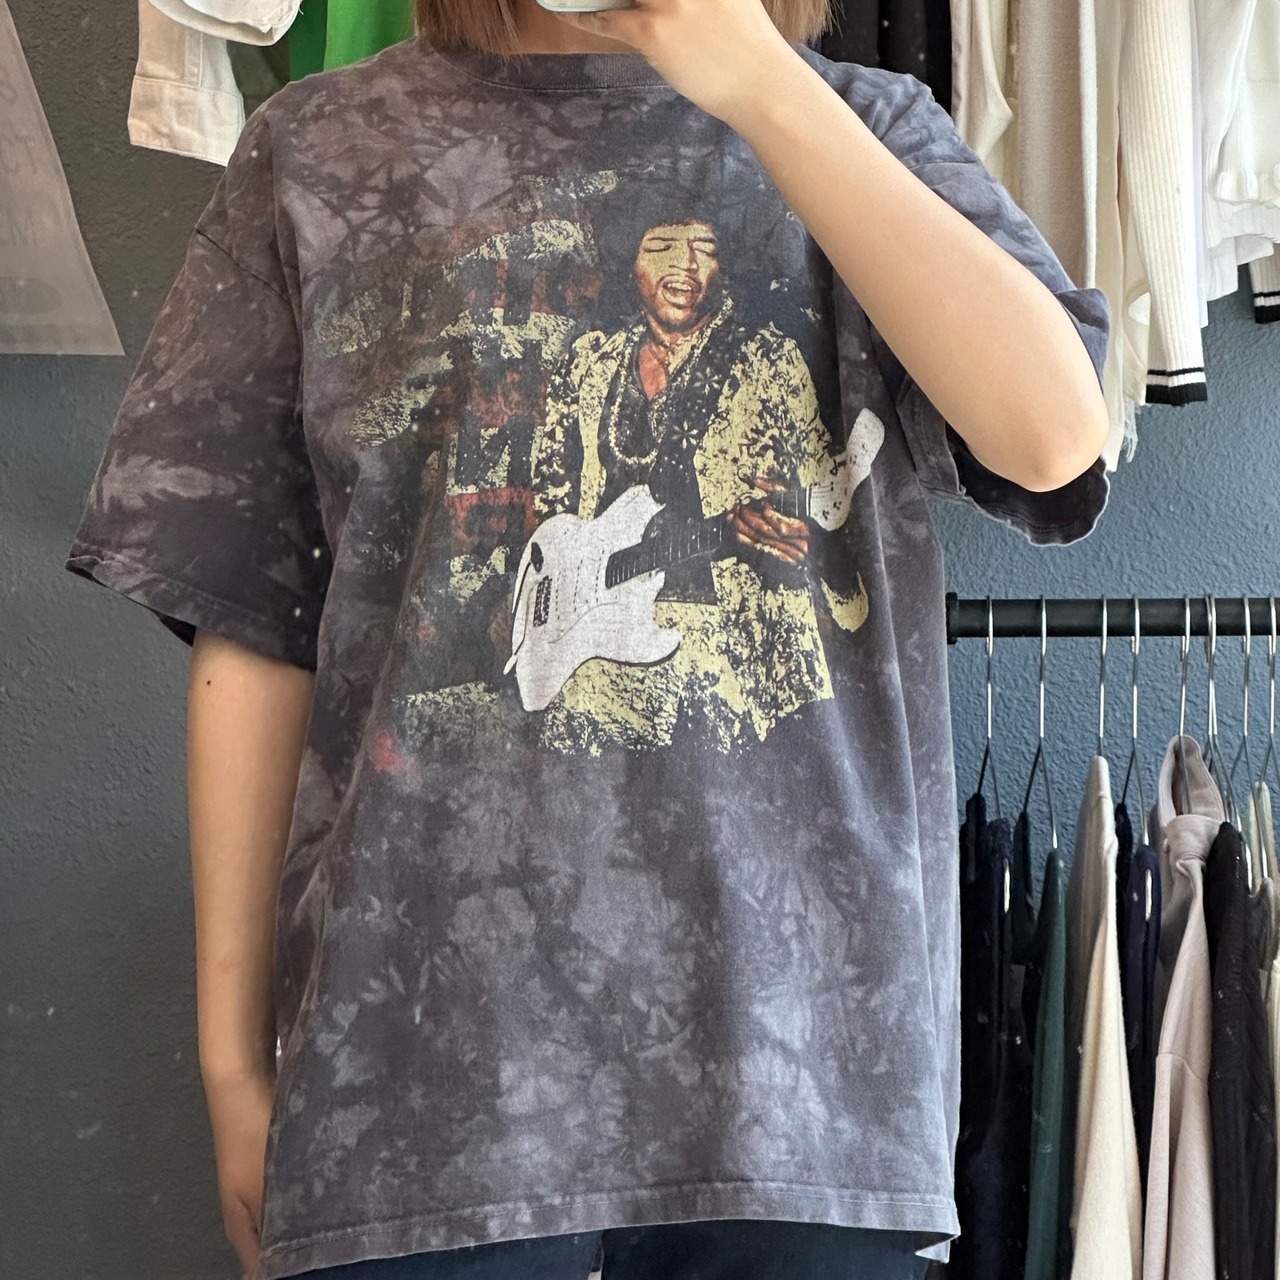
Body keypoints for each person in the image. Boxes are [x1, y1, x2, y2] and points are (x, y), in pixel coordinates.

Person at [64, 1, 1112, 1278]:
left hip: (805, 1071)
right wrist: (232, 1060)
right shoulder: (319, 150)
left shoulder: (865, 127)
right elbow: (251, 616)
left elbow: (1051, 436)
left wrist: (760, 80)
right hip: (415, 1073)